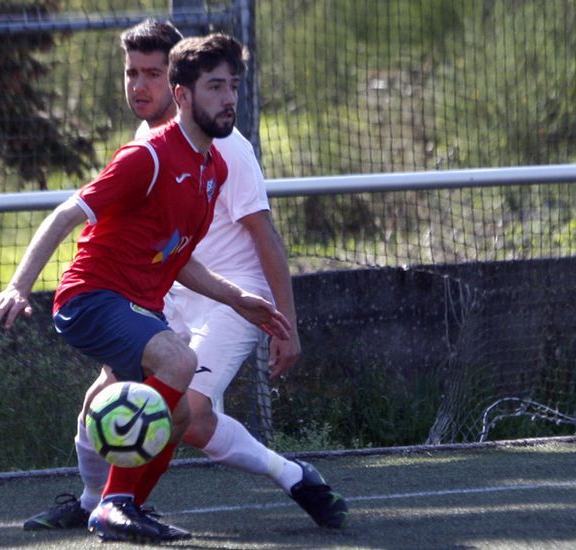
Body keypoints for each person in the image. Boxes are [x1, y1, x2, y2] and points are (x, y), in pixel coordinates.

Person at [19, 19, 349, 535]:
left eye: (152, 72)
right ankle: (95, 502)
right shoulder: (149, 145)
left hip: (225, 298)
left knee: (186, 409)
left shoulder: (227, 152)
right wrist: (22, 285)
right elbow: (154, 243)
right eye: (132, 73)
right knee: (104, 401)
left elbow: (266, 239)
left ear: (176, 78)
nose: (139, 86)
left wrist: (282, 319)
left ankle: (288, 478)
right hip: (158, 292)